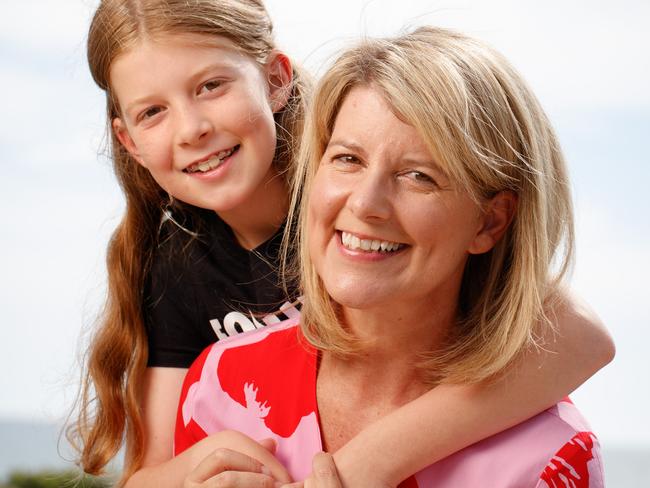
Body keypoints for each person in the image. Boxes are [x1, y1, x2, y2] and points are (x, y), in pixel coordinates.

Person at [69, 0, 613, 486]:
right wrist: (194, 472)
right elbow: (151, 469)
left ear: (276, 79)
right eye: (152, 111)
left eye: (211, 86)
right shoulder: (178, 269)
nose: (191, 129)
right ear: (129, 141)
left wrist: (366, 463)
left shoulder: (354, 209)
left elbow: (581, 338)